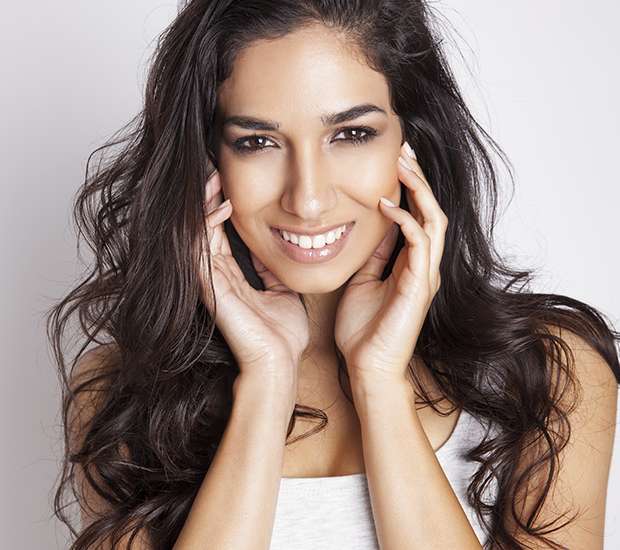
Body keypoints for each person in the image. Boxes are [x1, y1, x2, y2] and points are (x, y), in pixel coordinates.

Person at [48, 1, 619, 549]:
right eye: (257, 142)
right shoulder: (122, 395)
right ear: (208, 161)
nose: (308, 199)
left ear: (414, 140)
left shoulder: (549, 373)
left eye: (351, 134)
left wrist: (379, 383)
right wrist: (266, 380)